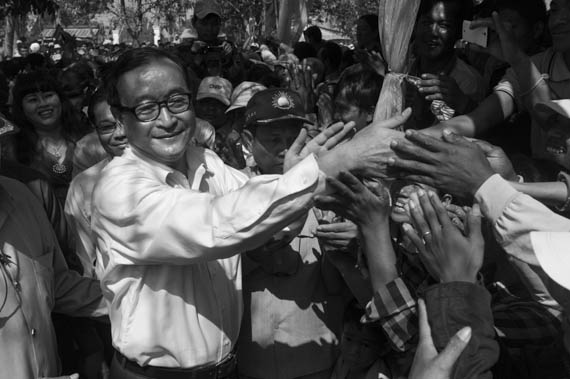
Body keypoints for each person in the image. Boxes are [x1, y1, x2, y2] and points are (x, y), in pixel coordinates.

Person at [92, 47, 409, 379]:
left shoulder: (208, 163)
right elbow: (217, 224)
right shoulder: (118, 189)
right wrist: (328, 166)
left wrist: (301, 177)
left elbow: (265, 224)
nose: (167, 119)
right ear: (120, 116)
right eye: (146, 108)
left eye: (176, 101)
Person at [237, 88, 344, 379]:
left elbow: (336, 285)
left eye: (294, 139)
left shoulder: (325, 195)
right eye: (274, 140)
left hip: (314, 356)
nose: (287, 150)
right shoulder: (231, 194)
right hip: (250, 360)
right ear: (248, 141)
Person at [65, 88, 127, 278]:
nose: (119, 133)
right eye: (107, 127)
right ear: (95, 129)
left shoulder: (178, 171)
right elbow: (84, 260)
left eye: (125, 123)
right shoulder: (83, 187)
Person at [405, 0, 485, 129]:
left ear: (458, 33)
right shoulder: (402, 73)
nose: (433, 32)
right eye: (426, 22)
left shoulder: (468, 82)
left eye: (444, 25)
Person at [11, 70, 86, 203]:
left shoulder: (85, 135)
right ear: (21, 108)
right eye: (33, 100)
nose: (43, 104)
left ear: (60, 99)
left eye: (48, 95)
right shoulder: (13, 149)